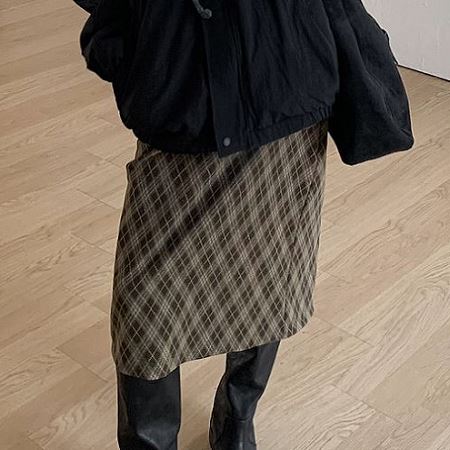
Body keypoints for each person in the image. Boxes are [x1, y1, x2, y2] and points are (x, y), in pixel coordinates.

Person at [73, 0, 414, 448]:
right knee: (145, 308)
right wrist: (140, 36)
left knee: (268, 280)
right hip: (184, 93)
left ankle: (237, 416)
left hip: (287, 79)